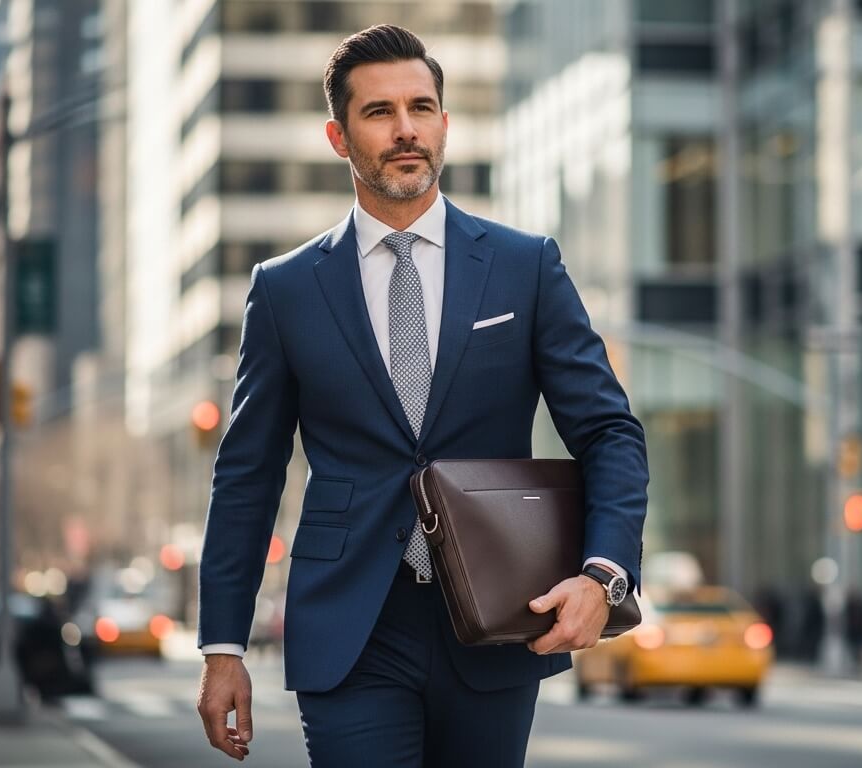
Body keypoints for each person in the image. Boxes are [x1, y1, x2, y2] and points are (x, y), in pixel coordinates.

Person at [193, 25, 648, 767]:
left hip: (502, 615)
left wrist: (604, 573)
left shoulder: (523, 266)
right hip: (350, 626)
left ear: (445, 122)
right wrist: (222, 645)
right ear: (339, 137)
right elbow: (247, 474)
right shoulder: (284, 290)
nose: (405, 129)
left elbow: (608, 432)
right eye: (379, 112)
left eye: (421, 107)